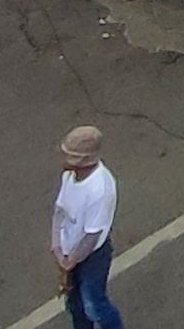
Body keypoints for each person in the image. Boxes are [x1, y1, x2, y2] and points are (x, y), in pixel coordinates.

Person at [54, 124, 122, 329]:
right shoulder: (69, 176)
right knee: (75, 303)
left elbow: (92, 236)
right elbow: (60, 210)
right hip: (70, 252)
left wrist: (69, 261)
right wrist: (57, 246)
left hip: (92, 254)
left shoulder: (100, 189)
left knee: (94, 305)